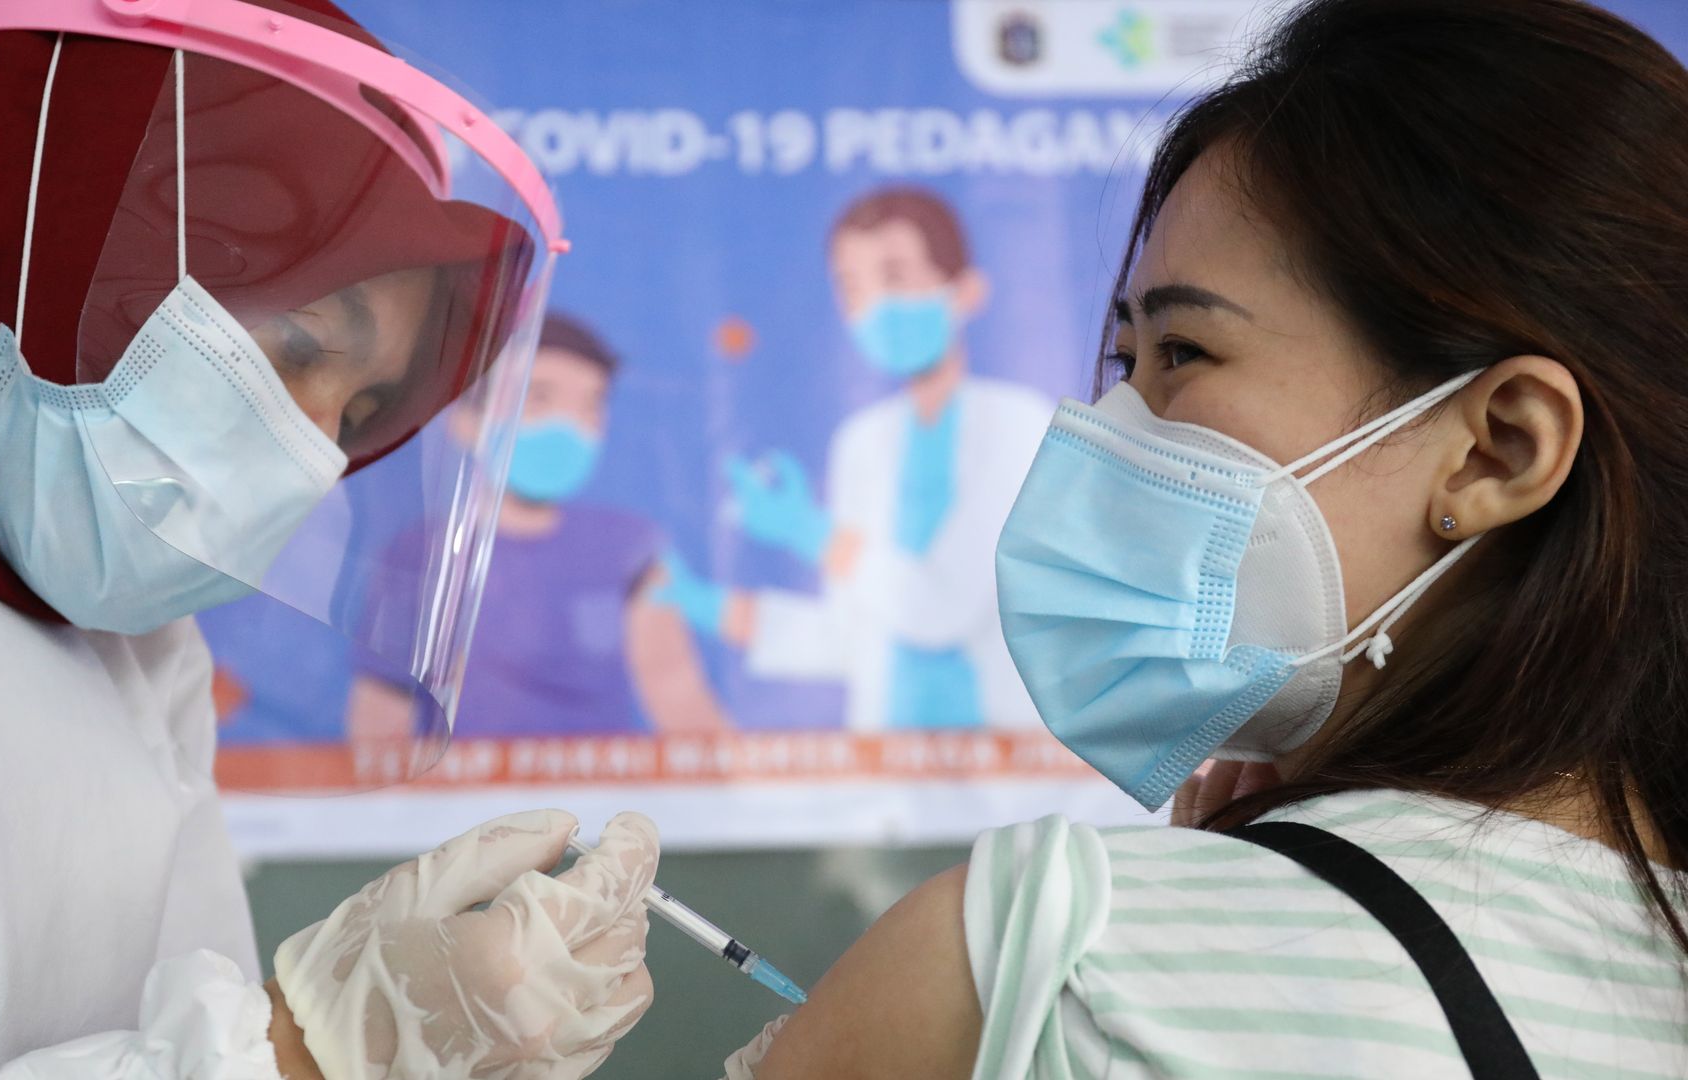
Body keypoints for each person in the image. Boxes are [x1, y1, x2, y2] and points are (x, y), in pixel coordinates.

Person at [717, 0, 1688, 1076]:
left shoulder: (1037, 957)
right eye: (1123, 361)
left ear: (1497, 450)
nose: (1114, 429)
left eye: (1183, 351)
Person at [0, 2, 660, 1076]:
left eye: (361, 413)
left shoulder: (137, 648)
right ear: (36, 217)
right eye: (299, 346)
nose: (314, 455)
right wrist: (309, 1050)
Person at [658, 187, 1053, 731]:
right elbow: (854, 636)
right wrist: (711, 607)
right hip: (884, 762)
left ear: (964, 291)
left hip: (1002, 753)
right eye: (853, 287)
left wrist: (812, 533)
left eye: (895, 276)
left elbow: (941, 610)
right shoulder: (862, 441)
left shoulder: (1019, 424)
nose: (875, 307)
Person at [345, 313, 728, 758]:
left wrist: (745, 788)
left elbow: (677, 693)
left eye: (590, 405)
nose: (568, 427)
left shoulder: (630, 549)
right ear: (466, 420)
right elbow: (382, 715)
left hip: (601, 795)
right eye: (539, 397)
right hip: (466, 796)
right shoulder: (420, 555)